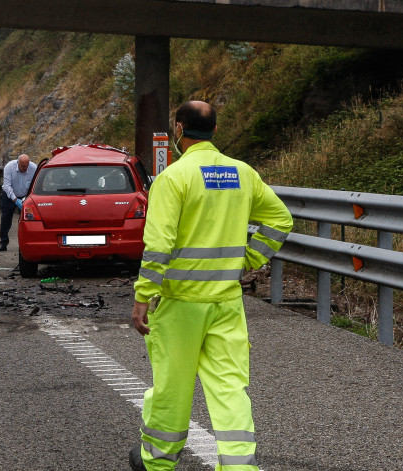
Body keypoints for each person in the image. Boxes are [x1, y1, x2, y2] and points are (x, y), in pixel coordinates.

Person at [128, 101, 294, 471]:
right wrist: (249, 259)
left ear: (179, 130)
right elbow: (281, 221)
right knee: (229, 389)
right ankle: (239, 467)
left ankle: (157, 462)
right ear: (215, 131)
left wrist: (143, 297)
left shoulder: (174, 178)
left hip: (180, 304)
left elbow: (158, 246)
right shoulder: (243, 174)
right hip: (226, 304)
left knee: (172, 386)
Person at [0, 153, 37, 252]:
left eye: (26, 165)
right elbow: (6, 186)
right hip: (10, 195)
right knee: (6, 219)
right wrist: (15, 200)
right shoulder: (9, 167)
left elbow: (35, 184)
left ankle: (30, 243)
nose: (25, 168)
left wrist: (29, 198)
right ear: (18, 162)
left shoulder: (33, 168)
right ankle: (3, 243)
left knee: (29, 219)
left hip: (25, 196)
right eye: (23, 166)